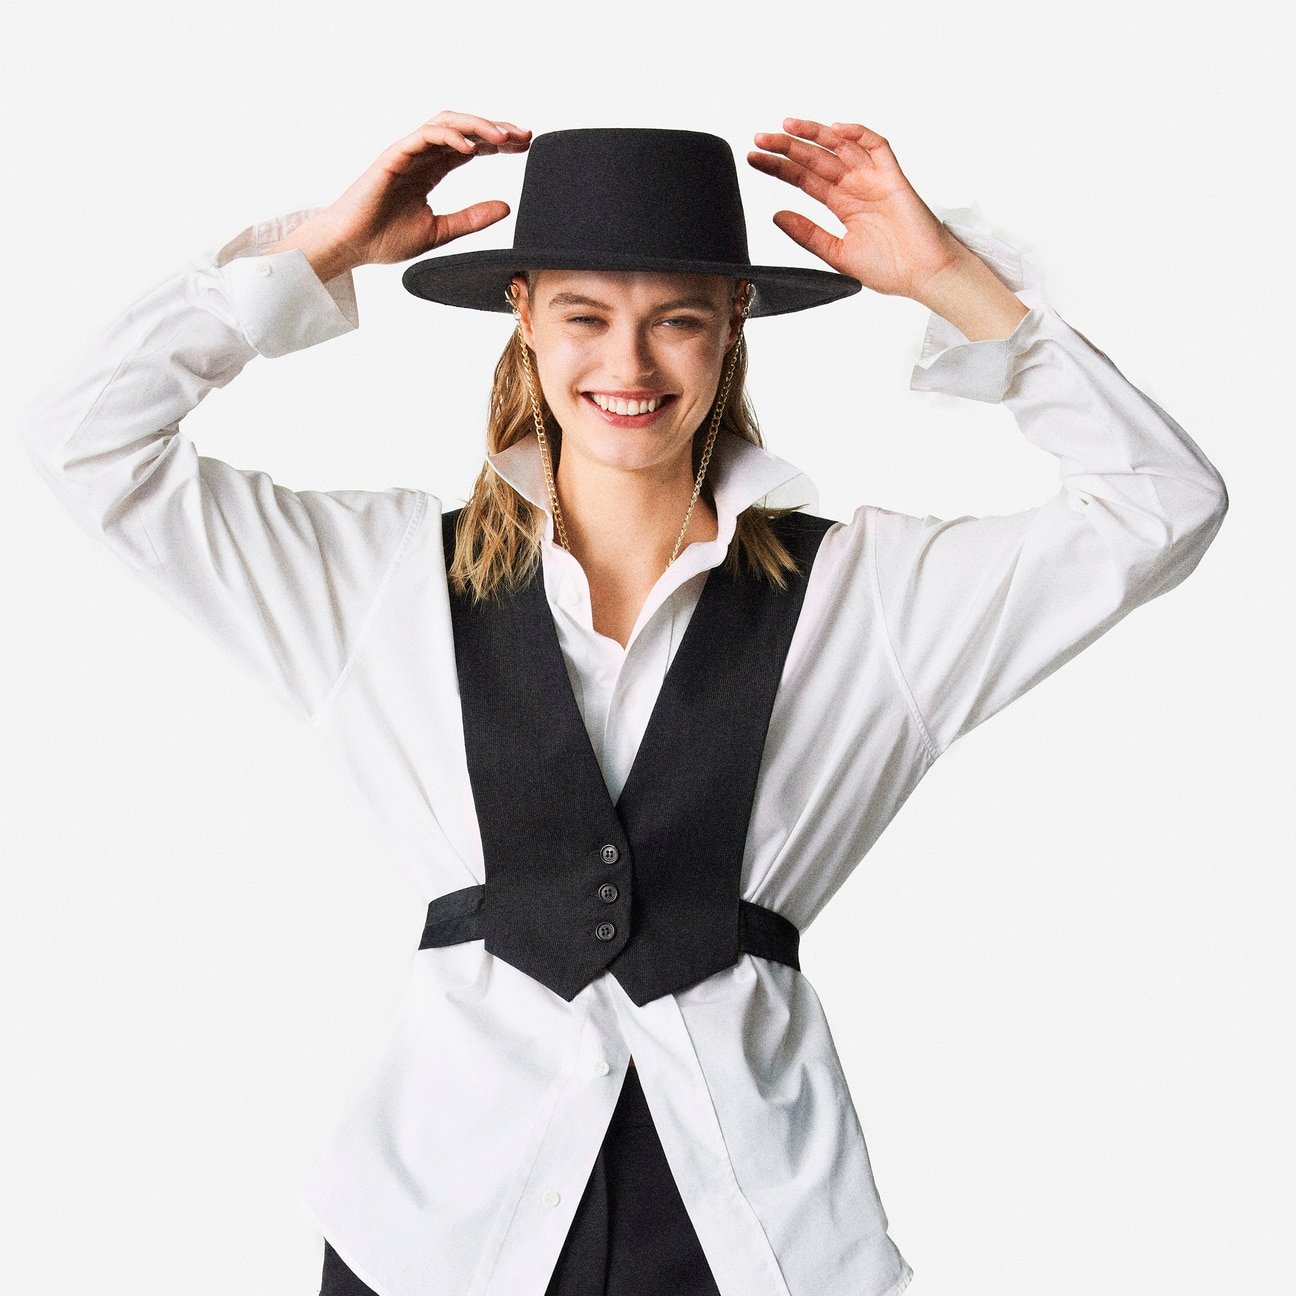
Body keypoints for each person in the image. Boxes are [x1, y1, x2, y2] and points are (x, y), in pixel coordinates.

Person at [19, 110, 1228, 1296]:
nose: (630, 368)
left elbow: (1163, 505)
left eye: (678, 321)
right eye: (585, 316)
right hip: (438, 1229)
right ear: (523, 312)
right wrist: (316, 254)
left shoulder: (873, 601)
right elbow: (85, 441)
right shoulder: (376, 583)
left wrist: (953, 283)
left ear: (736, 320)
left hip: (748, 1226)